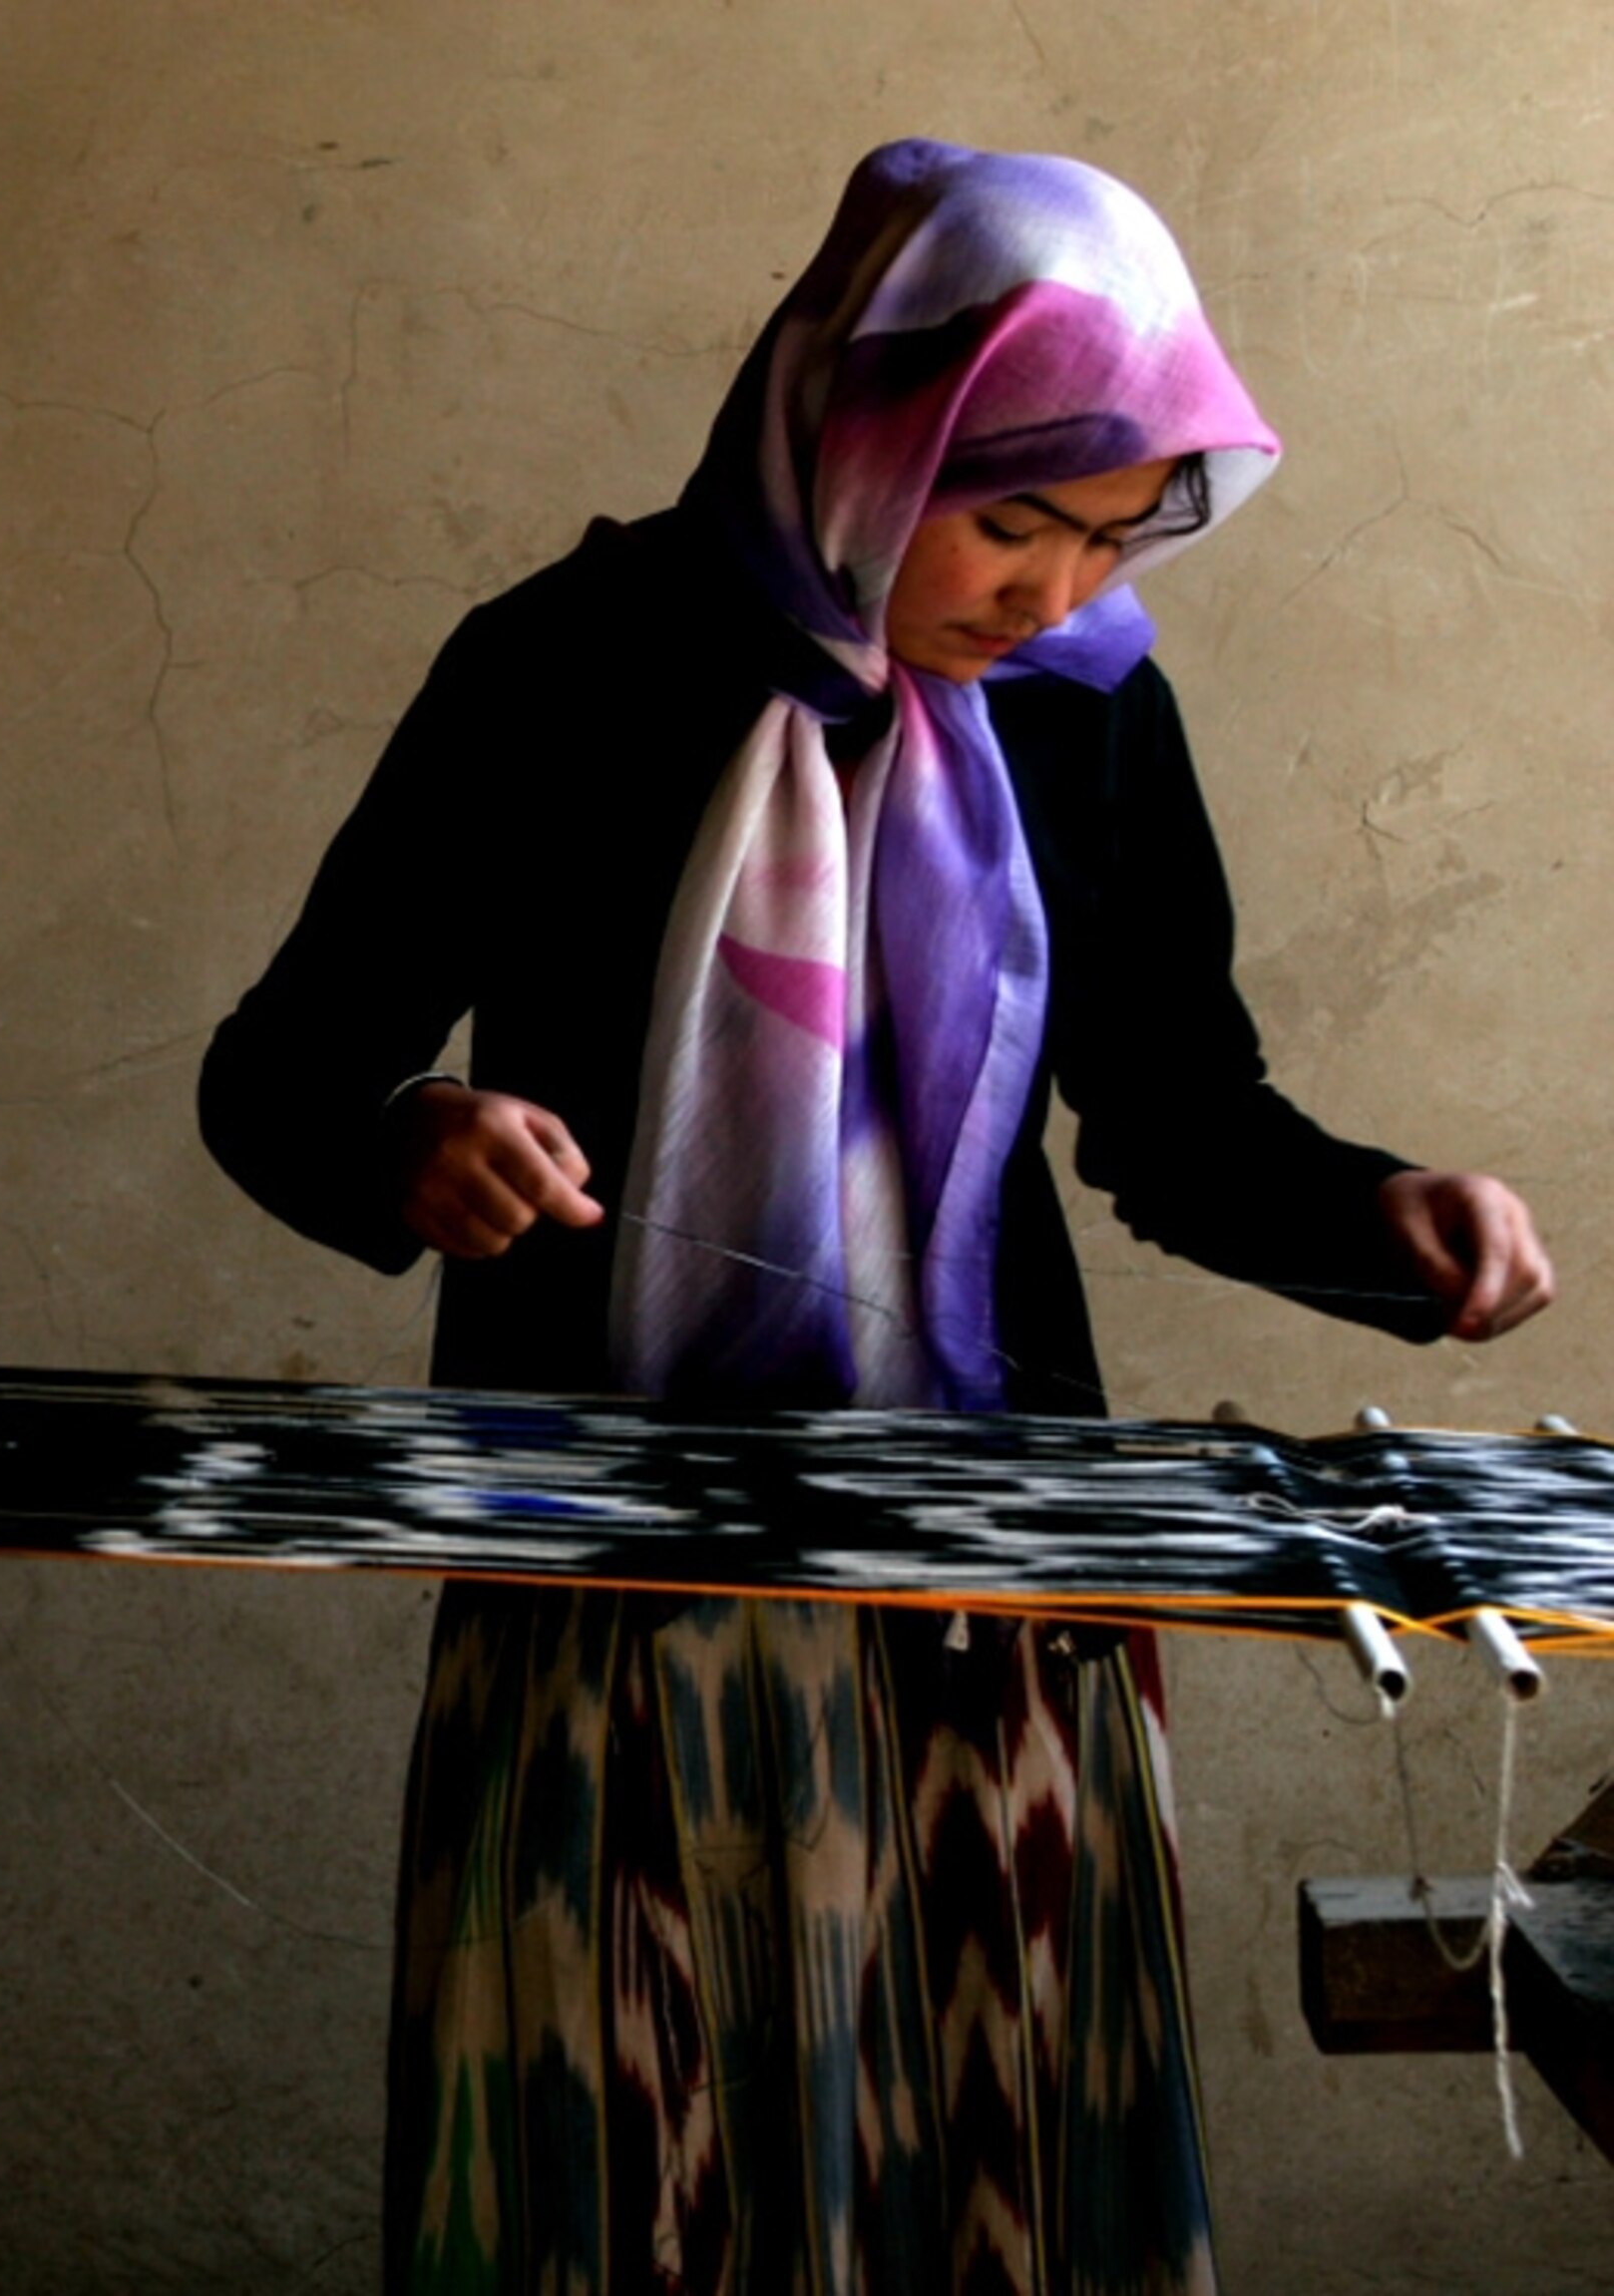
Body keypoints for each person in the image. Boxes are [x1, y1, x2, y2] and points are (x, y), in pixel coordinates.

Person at [197, 142, 1553, 2296]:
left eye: (1109, 534)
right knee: (620, 2175)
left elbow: (1181, 1122)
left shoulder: (1089, 710)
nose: (1048, 592)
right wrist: (407, 1142)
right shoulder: (564, 671)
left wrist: (1384, 1210)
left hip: (993, 1599)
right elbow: (272, 1076)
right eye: (1012, 514)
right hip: (616, 1591)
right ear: (860, 419)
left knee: (996, 2167)